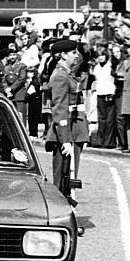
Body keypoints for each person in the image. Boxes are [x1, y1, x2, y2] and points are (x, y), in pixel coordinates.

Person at [45, 39, 83, 206]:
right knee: (63, 178)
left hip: (74, 128)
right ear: (63, 55)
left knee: (68, 176)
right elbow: (60, 109)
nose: (77, 56)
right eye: (73, 52)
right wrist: (65, 139)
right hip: (66, 132)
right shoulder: (60, 75)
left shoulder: (66, 72)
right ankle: (61, 213)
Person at [91, 49, 117, 148]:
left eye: (102, 55)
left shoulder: (110, 66)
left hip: (109, 93)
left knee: (110, 119)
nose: (100, 57)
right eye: (98, 55)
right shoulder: (97, 68)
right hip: (100, 93)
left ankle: (109, 142)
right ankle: (100, 140)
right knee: (101, 118)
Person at [2, 47, 29, 124]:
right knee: (11, 116)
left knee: (20, 116)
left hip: (19, 94)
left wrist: (11, 88)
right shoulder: (6, 67)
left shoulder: (22, 66)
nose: (12, 57)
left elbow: (22, 79)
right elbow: (4, 79)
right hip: (9, 95)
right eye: (10, 55)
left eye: (14, 54)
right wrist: (6, 89)